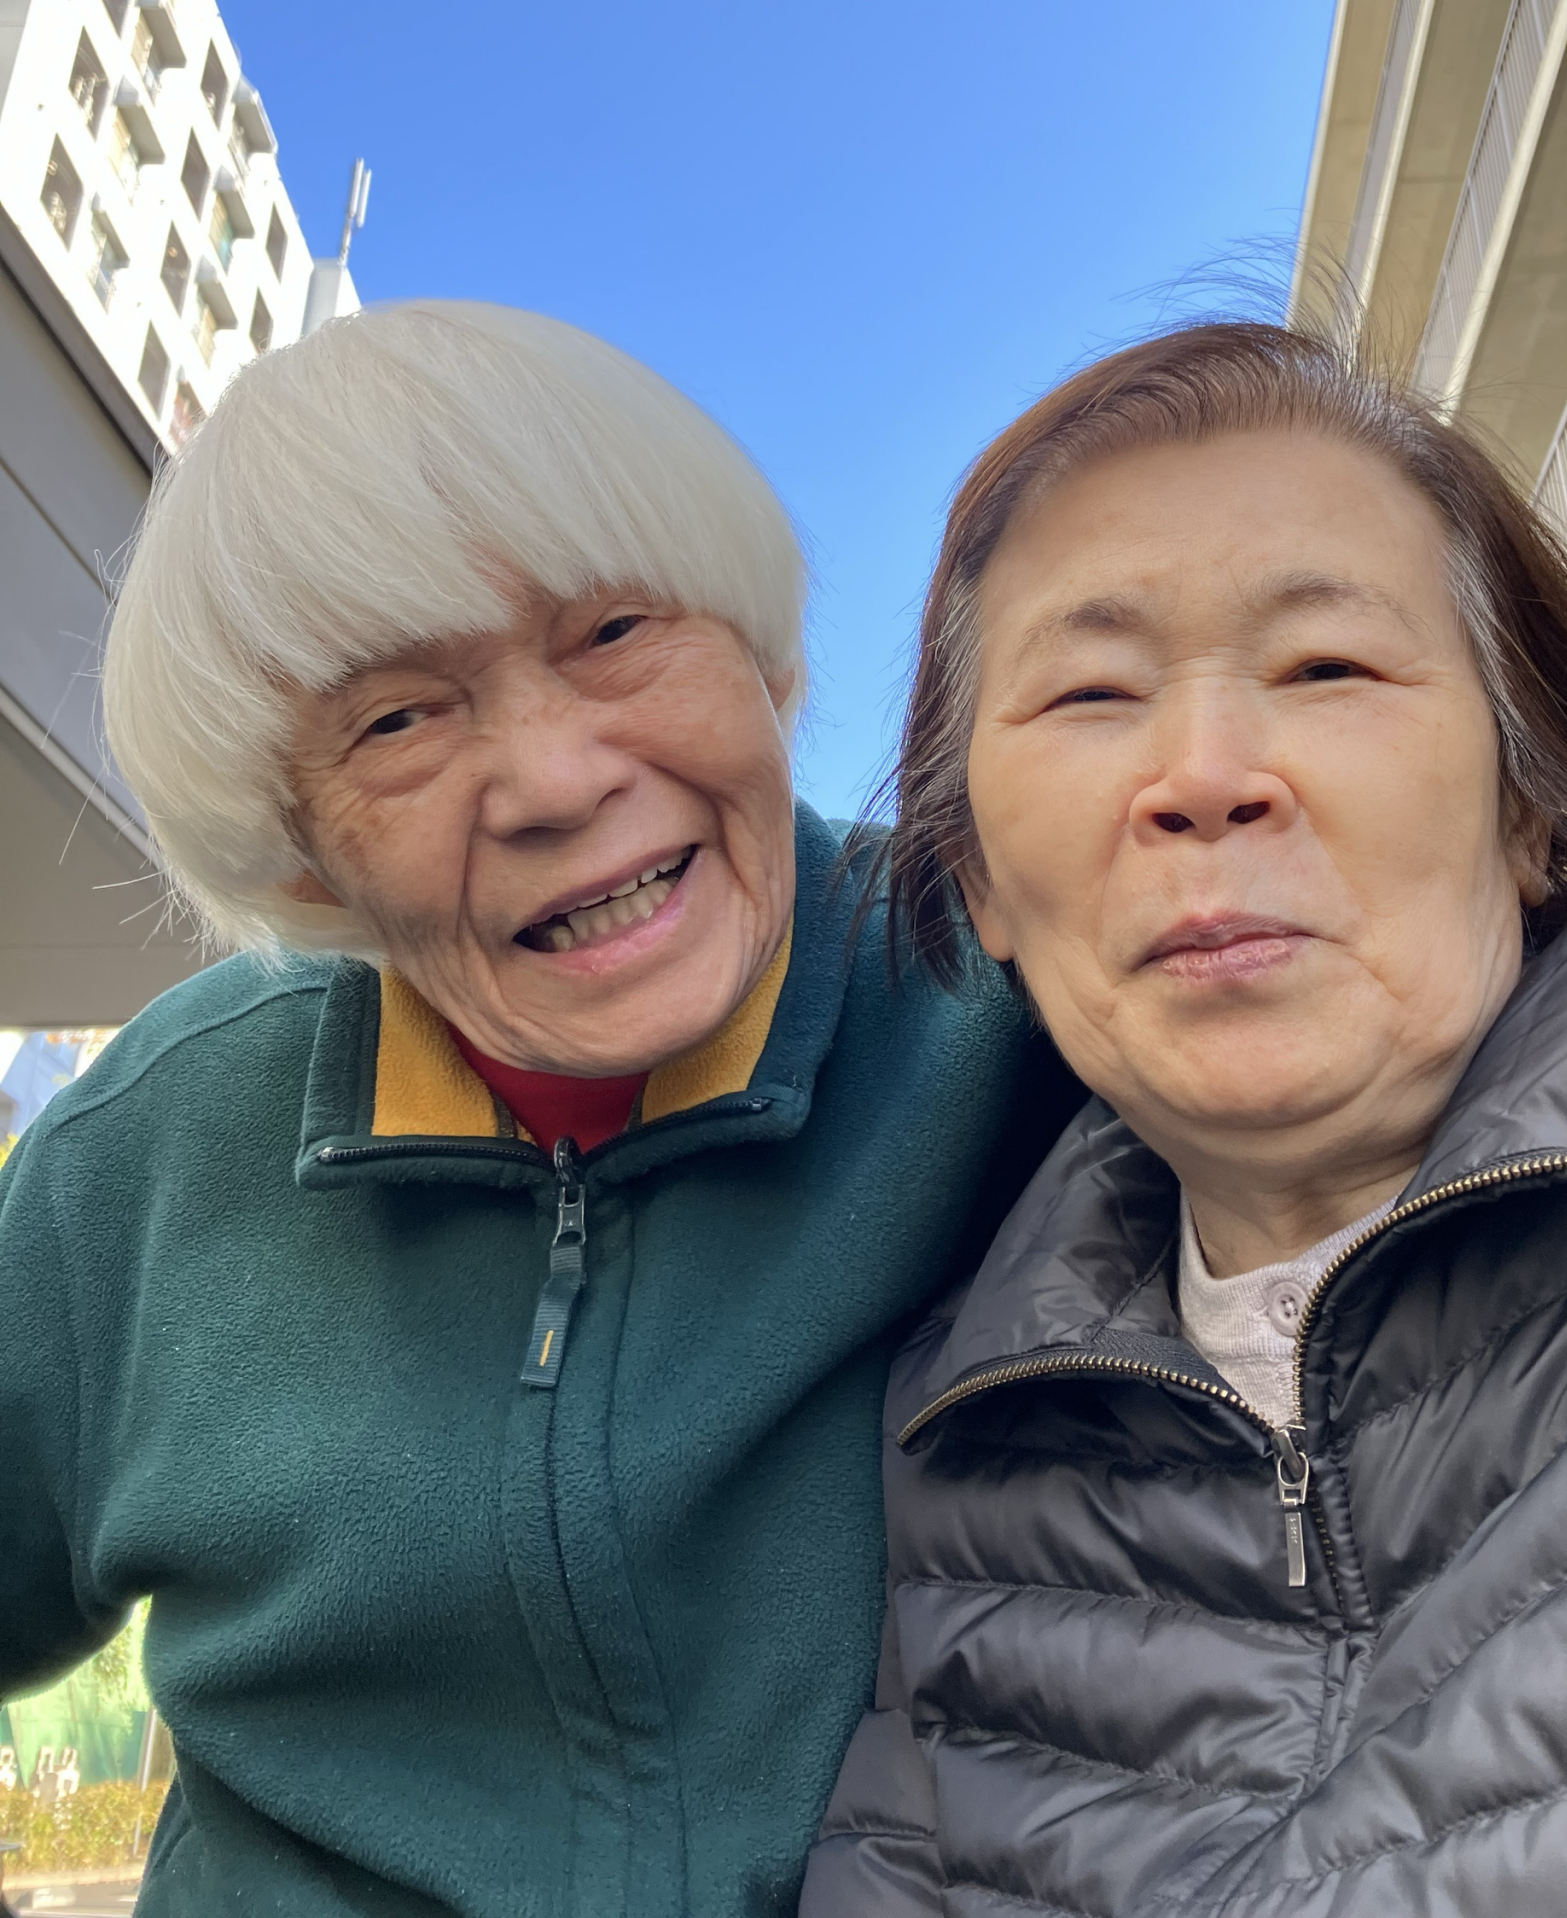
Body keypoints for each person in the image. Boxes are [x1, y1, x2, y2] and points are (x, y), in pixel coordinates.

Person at [805, 319, 1567, 1918]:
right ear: (979, 882)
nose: (1204, 775)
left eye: (1325, 667)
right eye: (1090, 693)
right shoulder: (963, 1428)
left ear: (1528, 796)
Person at [0, 302, 1074, 1918]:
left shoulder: (1015, 995)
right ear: (304, 857)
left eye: (616, 632)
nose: (559, 781)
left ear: (767, 661)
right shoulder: (141, 1158)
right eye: (394, 721)